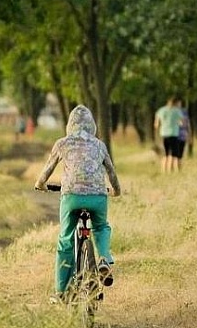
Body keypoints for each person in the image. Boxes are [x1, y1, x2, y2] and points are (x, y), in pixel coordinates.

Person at [34, 104, 121, 304]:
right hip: (98, 197)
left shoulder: (62, 143)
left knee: (65, 239)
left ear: (69, 125)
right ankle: (104, 260)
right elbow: (112, 173)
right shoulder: (100, 145)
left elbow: (45, 173)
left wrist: (41, 185)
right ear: (92, 126)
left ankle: (61, 291)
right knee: (100, 227)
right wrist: (116, 191)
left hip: (71, 197)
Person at [154, 97, 184, 173]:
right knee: (173, 154)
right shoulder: (177, 111)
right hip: (173, 134)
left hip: (163, 134)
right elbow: (181, 123)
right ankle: (172, 171)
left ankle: (164, 171)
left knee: (165, 154)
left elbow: (156, 124)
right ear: (175, 103)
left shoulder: (161, 110)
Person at [176, 98, 191, 169]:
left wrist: (188, 134)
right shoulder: (172, 112)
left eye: (179, 103)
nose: (179, 104)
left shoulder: (184, 111)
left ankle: (179, 167)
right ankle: (175, 167)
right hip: (174, 135)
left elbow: (187, 123)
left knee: (180, 153)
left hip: (182, 135)